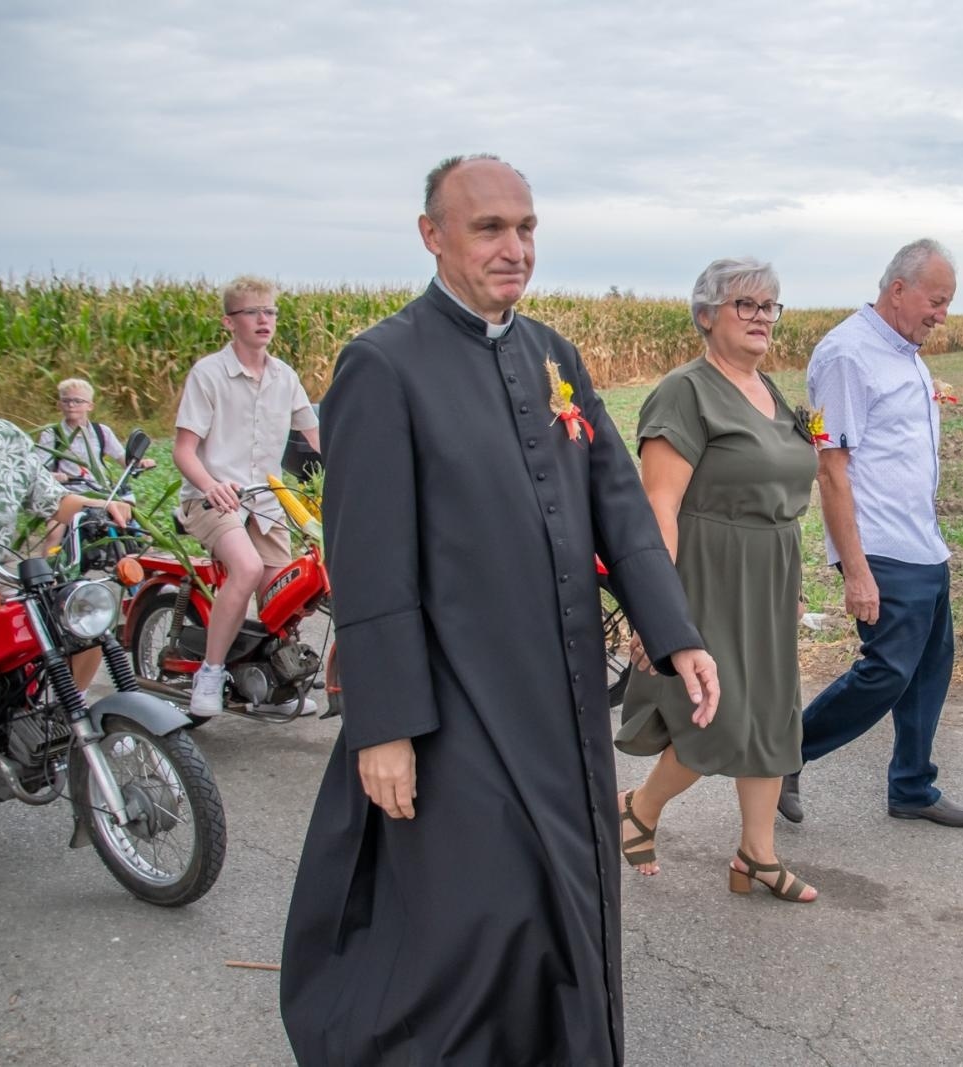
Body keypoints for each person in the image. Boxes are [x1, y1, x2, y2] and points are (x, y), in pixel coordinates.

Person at [280, 154, 720, 1067]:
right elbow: (366, 560)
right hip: (454, 703)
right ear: (432, 235)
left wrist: (674, 633)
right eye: (488, 228)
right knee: (478, 919)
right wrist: (384, 725)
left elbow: (619, 506)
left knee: (568, 898)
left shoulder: (554, 354)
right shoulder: (381, 364)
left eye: (525, 228)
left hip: (560, 696)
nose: (513, 247)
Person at [615, 257, 821, 904]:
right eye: (746, 304)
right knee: (720, 714)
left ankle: (756, 854)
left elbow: (781, 491)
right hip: (706, 571)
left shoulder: (771, 391)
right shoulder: (686, 391)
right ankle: (638, 807)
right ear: (705, 315)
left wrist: (789, 581)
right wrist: (656, 607)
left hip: (767, 572)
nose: (762, 317)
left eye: (770, 306)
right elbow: (659, 508)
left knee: (771, 715)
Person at [778, 238, 963, 829]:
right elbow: (831, 468)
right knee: (887, 670)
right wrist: (856, 568)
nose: (941, 315)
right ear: (899, 290)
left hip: (922, 542)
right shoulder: (848, 355)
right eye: (936, 301)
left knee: (927, 669)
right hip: (881, 547)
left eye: (947, 304)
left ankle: (913, 788)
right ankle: (785, 753)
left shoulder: (904, 351)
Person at [171, 275, 320, 717]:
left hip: (266, 502)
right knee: (249, 567)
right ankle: (211, 672)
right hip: (210, 499)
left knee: (290, 590)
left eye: (270, 311)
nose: (264, 319)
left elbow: (316, 438)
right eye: (252, 312)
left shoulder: (284, 376)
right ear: (229, 322)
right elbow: (183, 451)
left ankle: (273, 681)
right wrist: (212, 485)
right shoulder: (209, 374)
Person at [0, 330, 131, 691]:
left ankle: (60, 718)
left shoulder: (6, 441)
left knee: (85, 612)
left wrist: (103, 505)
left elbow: (53, 500)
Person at [36, 377, 155, 491]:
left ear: (90, 406)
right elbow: (39, 471)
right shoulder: (51, 434)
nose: (71, 405)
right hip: (68, 493)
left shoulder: (102, 431)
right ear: (59, 405)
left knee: (125, 506)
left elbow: (125, 462)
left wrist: (142, 463)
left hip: (100, 490)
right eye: (66, 401)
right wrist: (56, 476)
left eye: (78, 401)